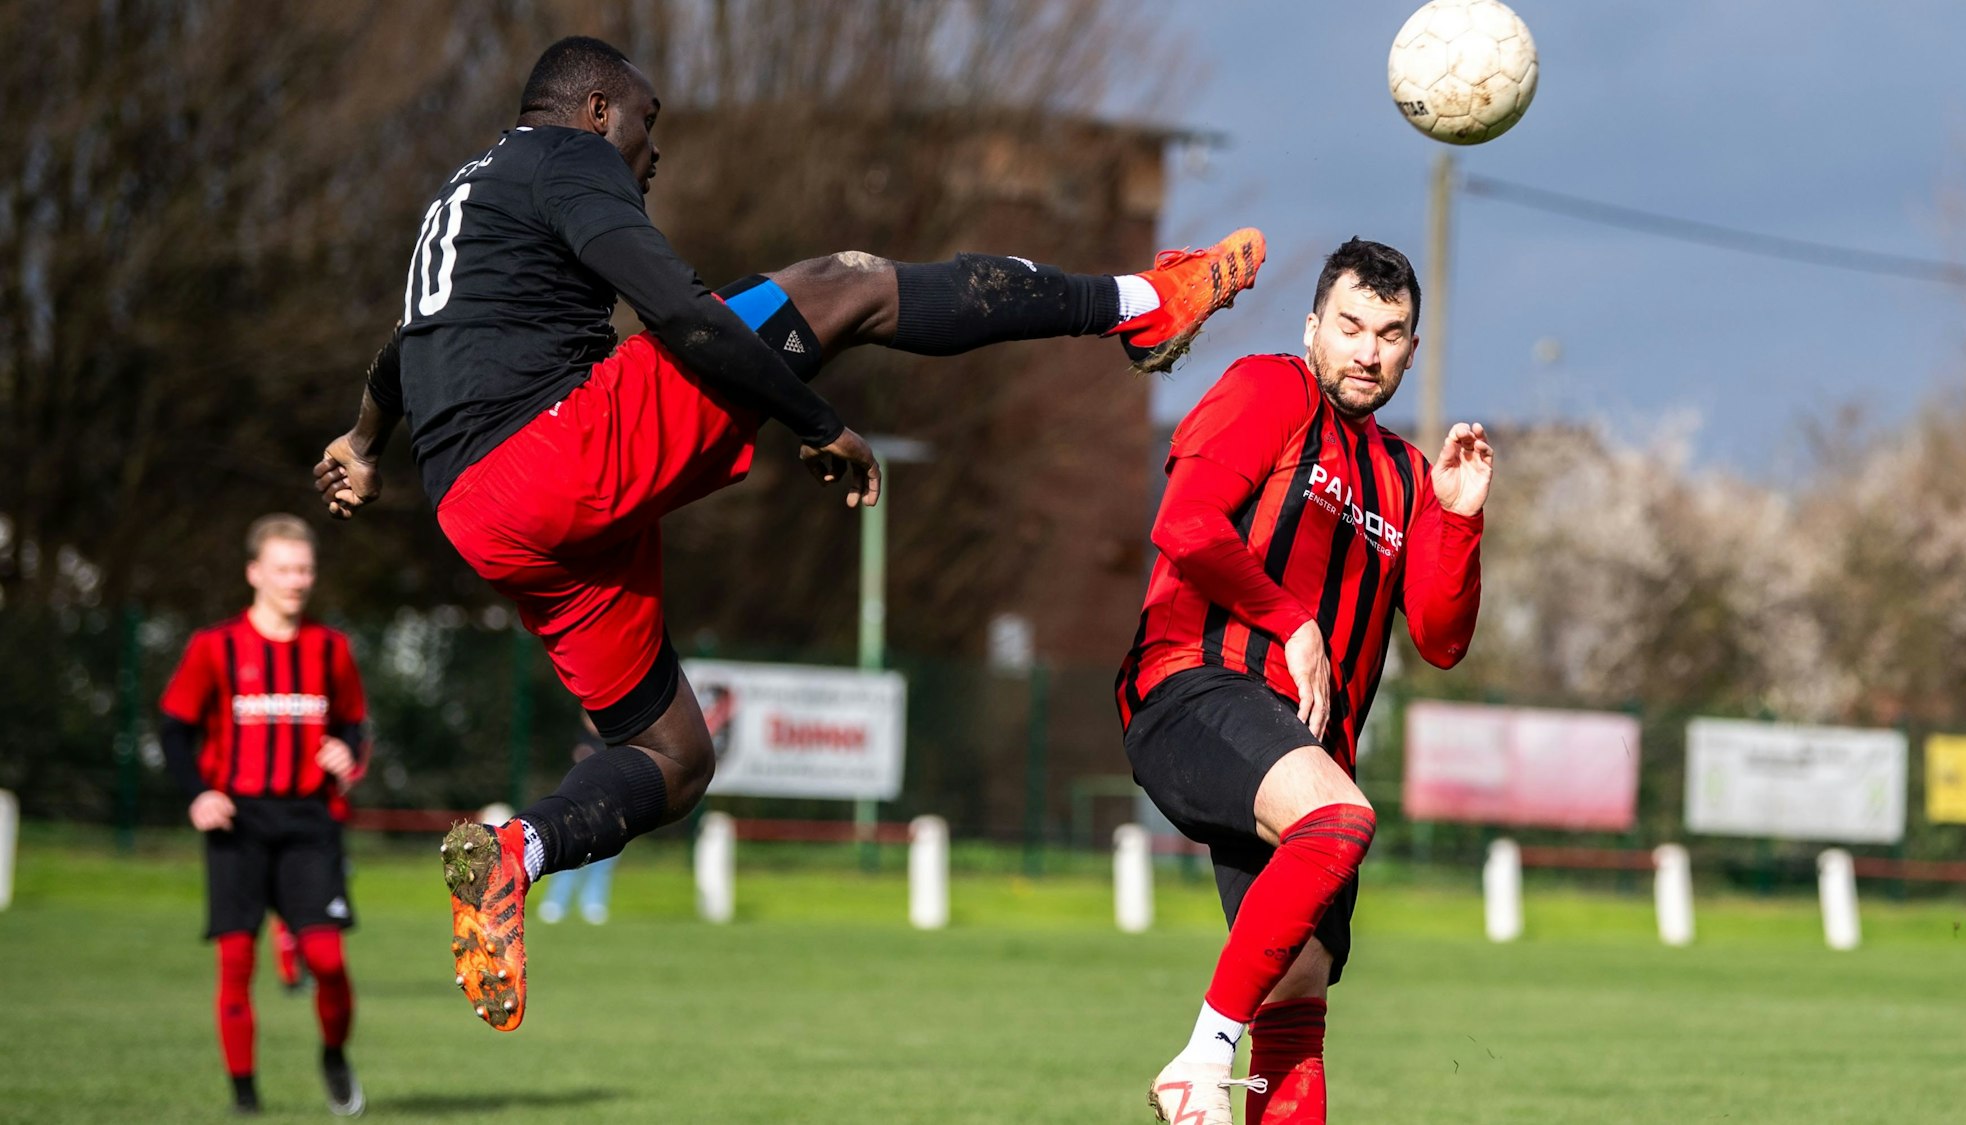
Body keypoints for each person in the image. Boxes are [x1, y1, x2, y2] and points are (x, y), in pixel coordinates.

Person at [310, 35, 1264, 1033]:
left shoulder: (467, 198)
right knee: (847, 280)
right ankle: (1145, 303)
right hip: (554, 457)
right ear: (594, 110)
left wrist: (366, 440)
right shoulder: (569, 158)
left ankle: (518, 856)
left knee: (671, 755)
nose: (653, 148)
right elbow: (674, 307)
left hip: (481, 514)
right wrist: (815, 421)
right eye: (647, 119)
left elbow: (405, 348)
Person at [1114, 239, 1493, 1125]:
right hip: (1194, 687)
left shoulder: (1406, 475)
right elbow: (1186, 523)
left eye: (1391, 334)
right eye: (1351, 325)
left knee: (1298, 996)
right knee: (1342, 817)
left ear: (1412, 348)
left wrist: (1461, 520)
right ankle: (1202, 1060)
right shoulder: (1268, 387)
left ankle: (1222, 1061)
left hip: (1309, 743)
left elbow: (1441, 641)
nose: (1368, 350)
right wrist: (1292, 620)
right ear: (1314, 324)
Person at [159, 514, 369, 1117]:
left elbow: (354, 725)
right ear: (255, 573)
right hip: (238, 824)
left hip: (309, 822)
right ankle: (246, 1098)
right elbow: (174, 728)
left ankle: (333, 1055)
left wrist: (347, 753)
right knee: (236, 962)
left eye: (303, 568)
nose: (295, 580)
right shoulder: (214, 647)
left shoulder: (331, 649)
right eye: (283, 568)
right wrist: (198, 793)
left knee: (327, 960)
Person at [536, 714, 620, 925]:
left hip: (609, 810)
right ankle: (555, 903)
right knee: (571, 857)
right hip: (580, 812)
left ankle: (594, 904)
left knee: (603, 861)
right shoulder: (580, 741)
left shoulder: (616, 742)